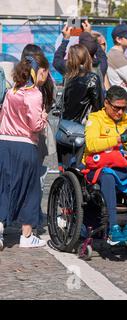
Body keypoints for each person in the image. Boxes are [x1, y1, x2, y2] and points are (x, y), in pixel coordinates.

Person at [84, 85, 127, 245]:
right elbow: (91, 145)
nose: (120, 112)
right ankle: (113, 227)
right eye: (116, 108)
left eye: (123, 108)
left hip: (123, 167)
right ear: (106, 103)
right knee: (107, 178)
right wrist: (119, 139)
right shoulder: (95, 118)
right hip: (98, 167)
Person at [0, 54, 50, 249]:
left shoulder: (11, 91)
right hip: (24, 143)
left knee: (3, 186)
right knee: (29, 188)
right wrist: (44, 116)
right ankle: (27, 235)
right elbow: (35, 125)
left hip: (3, 142)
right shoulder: (34, 93)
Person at [20, 44, 56, 234]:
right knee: (38, 180)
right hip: (39, 134)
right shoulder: (45, 82)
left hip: (20, 134)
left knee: (19, 178)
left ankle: (26, 218)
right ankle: (31, 221)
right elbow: (51, 103)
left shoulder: (18, 81)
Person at [57, 44, 103, 170]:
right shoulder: (92, 78)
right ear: (87, 58)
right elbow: (99, 106)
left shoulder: (68, 79)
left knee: (66, 170)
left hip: (65, 129)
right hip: (84, 130)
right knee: (84, 168)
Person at [107, 23, 127, 122]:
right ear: (118, 39)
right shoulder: (117, 56)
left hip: (121, 103)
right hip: (126, 105)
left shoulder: (113, 54)